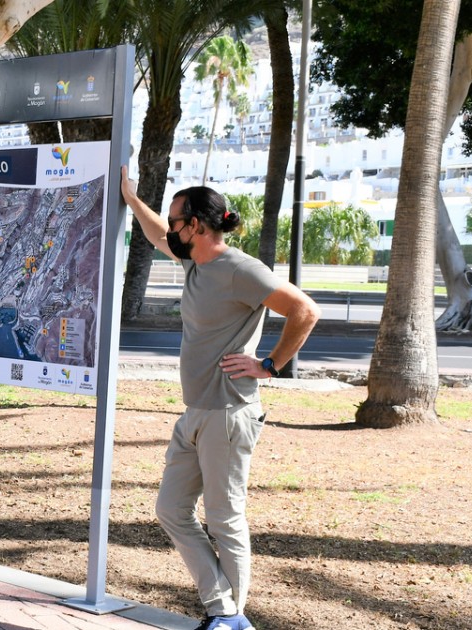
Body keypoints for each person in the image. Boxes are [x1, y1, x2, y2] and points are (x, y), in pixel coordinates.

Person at [120, 167, 320, 630]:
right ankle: (224, 610)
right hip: (196, 412)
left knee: (225, 518)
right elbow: (155, 235)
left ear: (198, 226)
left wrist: (269, 365)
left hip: (229, 413)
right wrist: (132, 200)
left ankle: (230, 618)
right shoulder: (195, 261)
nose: (170, 228)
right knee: (171, 509)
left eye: (176, 220)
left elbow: (305, 310)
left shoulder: (240, 270)